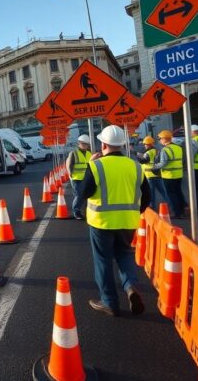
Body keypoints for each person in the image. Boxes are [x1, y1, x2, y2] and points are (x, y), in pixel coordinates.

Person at [80, 125, 150, 317]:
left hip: (101, 223)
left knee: (103, 261)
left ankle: (109, 302)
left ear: (103, 145)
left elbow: (83, 192)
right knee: (125, 255)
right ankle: (130, 287)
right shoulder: (135, 166)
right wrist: (134, 212)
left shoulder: (96, 166)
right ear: (121, 145)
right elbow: (147, 196)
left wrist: (88, 166)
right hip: (128, 222)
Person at [151, 130, 186, 218]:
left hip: (169, 175)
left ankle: (177, 213)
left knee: (171, 195)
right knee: (178, 192)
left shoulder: (165, 150)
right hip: (178, 174)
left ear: (164, 139)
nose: (159, 141)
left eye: (160, 139)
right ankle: (183, 210)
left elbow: (163, 163)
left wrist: (154, 167)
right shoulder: (178, 148)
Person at [136, 136, 168, 211]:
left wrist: (138, 156)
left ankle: (152, 207)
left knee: (151, 193)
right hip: (157, 174)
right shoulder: (156, 150)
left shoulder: (148, 152)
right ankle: (170, 204)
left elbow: (143, 161)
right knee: (163, 192)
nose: (145, 145)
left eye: (146, 144)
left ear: (149, 144)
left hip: (150, 175)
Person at [65, 135, 92, 220]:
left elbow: (90, 165)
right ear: (79, 143)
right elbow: (69, 165)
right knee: (79, 195)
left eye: (86, 144)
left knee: (83, 195)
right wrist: (70, 175)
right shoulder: (74, 153)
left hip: (86, 178)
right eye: (83, 144)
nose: (85, 146)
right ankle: (76, 212)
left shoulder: (89, 153)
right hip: (76, 178)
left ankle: (80, 209)